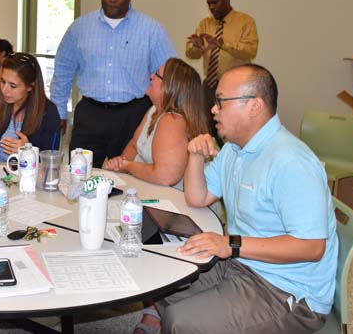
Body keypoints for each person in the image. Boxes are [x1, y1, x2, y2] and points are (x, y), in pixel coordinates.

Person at [141, 64, 337, 334]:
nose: (213, 109)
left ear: (254, 106)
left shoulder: (291, 162)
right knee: (161, 284)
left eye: (221, 101)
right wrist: (195, 157)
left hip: (286, 291)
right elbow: (198, 197)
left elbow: (312, 247)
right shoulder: (235, 149)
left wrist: (229, 244)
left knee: (180, 321)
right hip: (243, 265)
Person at [50, 0, 176, 167]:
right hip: (90, 113)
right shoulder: (80, 28)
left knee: (130, 177)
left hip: (134, 115)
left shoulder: (151, 30)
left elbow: (169, 74)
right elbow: (63, 70)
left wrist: (165, 115)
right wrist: (59, 111)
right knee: (79, 172)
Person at [104, 58, 208, 189]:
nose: (151, 76)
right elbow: (134, 144)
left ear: (169, 87)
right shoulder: (154, 110)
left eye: (157, 74)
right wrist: (120, 163)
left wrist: (127, 166)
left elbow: (165, 176)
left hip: (174, 202)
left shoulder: (173, 121)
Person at [0, 53, 60, 161]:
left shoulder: (48, 112)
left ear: (30, 87)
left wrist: (30, 152)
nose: (4, 90)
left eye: (13, 86)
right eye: (2, 82)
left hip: (30, 175)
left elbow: (51, 159)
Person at [186, 0, 258, 105]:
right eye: (208, 4)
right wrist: (196, 47)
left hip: (236, 87)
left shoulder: (246, 21)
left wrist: (223, 44)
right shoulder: (205, 23)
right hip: (209, 86)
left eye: (215, 2)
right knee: (206, 123)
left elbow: (251, 51)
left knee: (232, 123)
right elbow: (192, 55)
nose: (211, 7)